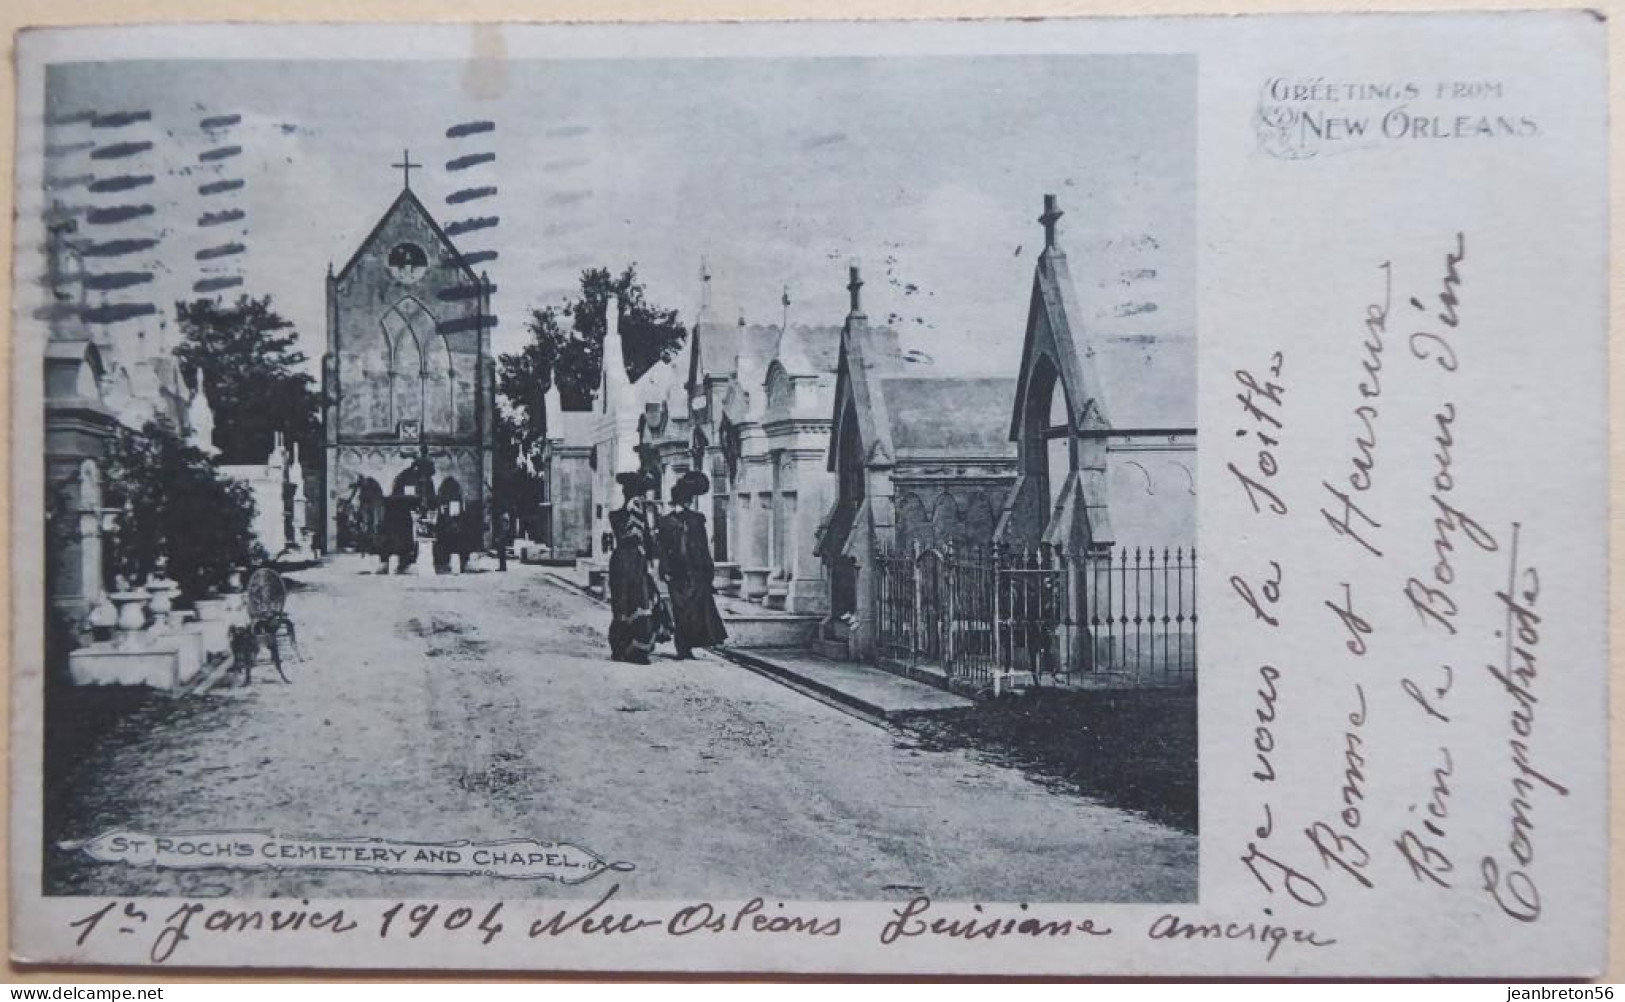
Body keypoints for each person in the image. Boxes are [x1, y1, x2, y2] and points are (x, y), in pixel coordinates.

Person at [659, 470, 728, 658]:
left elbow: (703, 549)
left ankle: (687, 645)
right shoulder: (666, 522)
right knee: (681, 609)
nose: (686, 503)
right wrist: (665, 569)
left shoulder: (697, 520)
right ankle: (683, 647)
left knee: (695, 610)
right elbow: (663, 549)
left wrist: (708, 572)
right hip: (678, 572)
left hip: (695, 572)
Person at [607, 471, 666, 664]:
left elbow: (647, 542)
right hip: (628, 562)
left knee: (632, 603)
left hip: (630, 562)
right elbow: (634, 537)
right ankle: (627, 649)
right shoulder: (626, 514)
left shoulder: (628, 515)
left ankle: (629, 649)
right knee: (630, 603)